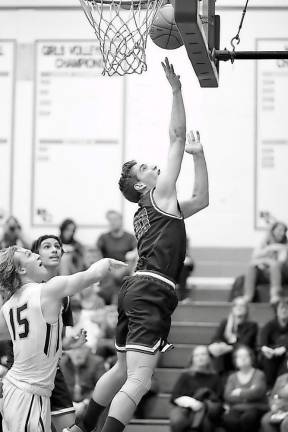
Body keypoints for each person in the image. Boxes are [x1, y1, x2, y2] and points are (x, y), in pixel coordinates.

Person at [65, 57, 209, 432]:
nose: (153, 167)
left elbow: (201, 199)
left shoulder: (151, 210)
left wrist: (200, 157)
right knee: (139, 380)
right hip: (151, 290)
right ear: (143, 185)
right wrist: (177, 91)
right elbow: (176, 136)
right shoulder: (160, 194)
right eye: (145, 167)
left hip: (135, 290)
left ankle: (82, 427)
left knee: (122, 369)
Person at [0, 245, 125, 431]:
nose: (35, 254)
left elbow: (31, 342)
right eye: (28, 254)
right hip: (27, 393)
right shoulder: (49, 289)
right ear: (21, 269)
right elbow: (91, 275)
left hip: (19, 390)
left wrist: (62, 345)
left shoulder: (8, 305)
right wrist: (105, 261)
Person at [169, 345, 222, 432]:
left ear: (209, 358)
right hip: (185, 408)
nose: (200, 357)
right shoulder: (185, 376)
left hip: (206, 411)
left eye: (203, 354)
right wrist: (191, 403)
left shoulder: (215, 377)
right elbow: (174, 397)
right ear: (192, 359)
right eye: (196, 355)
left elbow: (219, 399)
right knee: (178, 421)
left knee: (206, 424)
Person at [222, 345, 267, 432]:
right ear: (235, 360)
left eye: (245, 356)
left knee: (248, 418)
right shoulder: (232, 377)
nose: (243, 359)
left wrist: (239, 392)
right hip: (236, 408)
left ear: (251, 358)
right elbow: (227, 396)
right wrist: (249, 393)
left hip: (256, 408)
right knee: (229, 419)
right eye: (240, 357)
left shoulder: (259, 374)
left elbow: (257, 393)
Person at [209, 297, 258, 375]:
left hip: (242, 353)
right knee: (214, 350)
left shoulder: (252, 325)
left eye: (242, 306)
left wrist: (228, 348)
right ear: (232, 309)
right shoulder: (225, 323)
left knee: (239, 352)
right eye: (236, 305)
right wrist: (218, 345)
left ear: (246, 310)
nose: (239, 307)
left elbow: (245, 343)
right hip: (225, 355)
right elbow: (216, 338)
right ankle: (219, 378)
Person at [97, 210, 137, 304]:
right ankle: (113, 306)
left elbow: (137, 251)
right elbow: (96, 253)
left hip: (125, 268)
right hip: (108, 268)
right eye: (110, 220)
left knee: (121, 275)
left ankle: (115, 306)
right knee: (111, 277)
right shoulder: (103, 237)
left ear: (121, 221)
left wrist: (125, 266)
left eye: (115, 219)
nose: (112, 222)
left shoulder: (130, 237)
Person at [244, 221, 288, 304]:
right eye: (279, 230)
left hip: (280, 273)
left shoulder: (284, 245)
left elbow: (281, 261)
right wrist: (268, 251)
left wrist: (265, 261)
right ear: (273, 230)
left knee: (275, 265)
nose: (281, 233)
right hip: (265, 271)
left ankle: (275, 294)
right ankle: (248, 295)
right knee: (251, 266)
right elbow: (254, 256)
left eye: (283, 231)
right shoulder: (264, 243)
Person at [60, 346, 105, 420]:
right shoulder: (61, 363)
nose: (78, 353)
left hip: (90, 405)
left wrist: (85, 403)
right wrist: (69, 405)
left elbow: (103, 389)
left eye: (81, 349)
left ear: (87, 350)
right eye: (74, 349)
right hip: (66, 406)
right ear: (68, 352)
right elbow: (57, 389)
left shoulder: (97, 362)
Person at [260, 298, 288, 388]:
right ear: (276, 311)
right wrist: (268, 350)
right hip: (271, 354)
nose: (284, 310)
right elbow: (262, 344)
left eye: (287, 308)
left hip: (286, 354)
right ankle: (269, 388)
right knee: (267, 359)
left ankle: (282, 387)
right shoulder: (269, 325)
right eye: (281, 308)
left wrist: (284, 348)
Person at [261, 361, 288, 432]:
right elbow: (272, 396)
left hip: (285, 409)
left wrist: (284, 407)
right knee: (265, 420)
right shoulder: (281, 379)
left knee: (286, 423)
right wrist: (273, 406)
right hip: (280, 410)